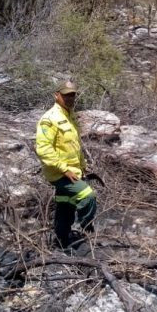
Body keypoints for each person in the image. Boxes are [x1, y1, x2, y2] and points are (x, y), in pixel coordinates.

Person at [35, 80, 96, 249]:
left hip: (73, 170)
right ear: (57, 95)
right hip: (59, 173)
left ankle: (61, 240)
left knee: (65, 205)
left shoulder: (70, 115)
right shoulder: (49, 119)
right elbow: (43, 149)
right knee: (88, 196)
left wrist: (83, 166)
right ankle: (86, 229)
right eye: (66, 95)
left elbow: (74, 146)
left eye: (72, 95)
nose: (70, 98)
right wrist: (64, 169)